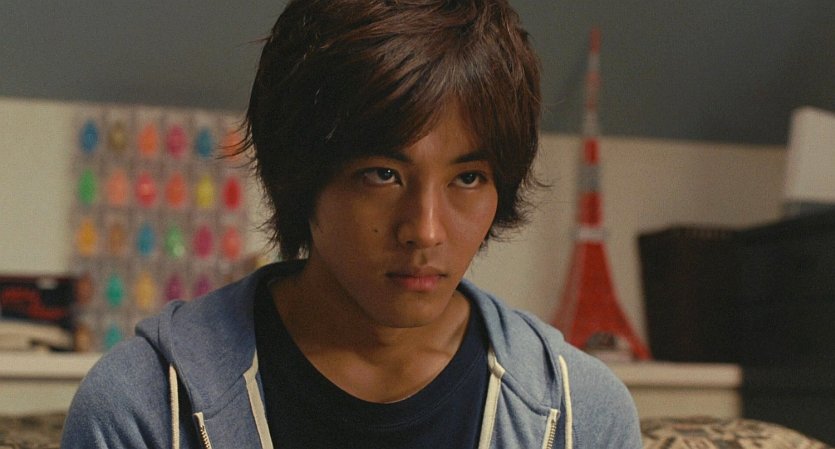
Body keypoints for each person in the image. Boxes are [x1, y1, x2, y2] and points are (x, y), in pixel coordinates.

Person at [62, 0, 642, 448]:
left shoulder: (579, 416)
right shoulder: (145, 406)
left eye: (467, 178)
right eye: (382, 175)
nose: (425, 230)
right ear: (300, 175)